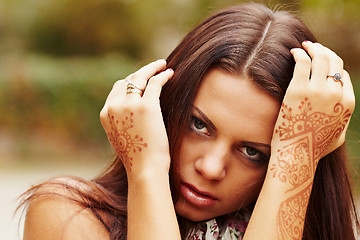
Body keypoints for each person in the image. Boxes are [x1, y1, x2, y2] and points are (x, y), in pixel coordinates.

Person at [20, 3, 358, 240]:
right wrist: (147, 167)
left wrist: (299, 153)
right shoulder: (69, 215)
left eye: (253, 152)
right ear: (162, 106)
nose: (211, 168)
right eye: (199, 125)